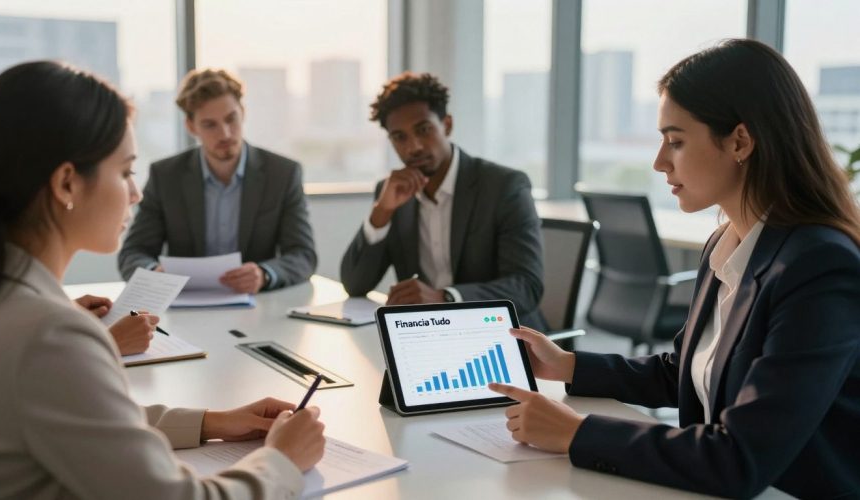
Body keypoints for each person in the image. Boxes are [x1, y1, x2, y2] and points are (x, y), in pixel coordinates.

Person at [488, 39, 860, 498]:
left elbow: (741, 458)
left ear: (740, 141)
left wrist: (577, 433)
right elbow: (681, 372)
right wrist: (567, 365)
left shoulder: (819, 267)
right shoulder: (725, 244)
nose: (659, 162)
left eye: (676, 141)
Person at [0, 61, 325, 498]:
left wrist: (211, 421)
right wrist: (282, 460)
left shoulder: (8, 300)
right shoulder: (51, 335)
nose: (136, 192)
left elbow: (85, 415)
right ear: (67, 184)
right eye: (126, 171)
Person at [340, 72, 547, 330]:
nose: (413, 147)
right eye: (399, 137)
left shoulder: (504, 187)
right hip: (430, 336)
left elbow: (526, 286)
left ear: (446, 125)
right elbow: (355, 284)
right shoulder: (391, 193)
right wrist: (382, 211)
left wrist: (445, 298)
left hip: (501, 334)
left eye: (423, 130)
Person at [118, 68, 316, 293]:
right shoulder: (166, 176)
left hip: (256, 308)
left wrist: (264, 274)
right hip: (185, 308)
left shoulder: (282, 173)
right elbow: (132, 254)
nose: (225, 134)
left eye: (231, 119)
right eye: (210, 125)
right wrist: (154, 274)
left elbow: (303, 255)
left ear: (243, 112)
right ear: (191, 126)